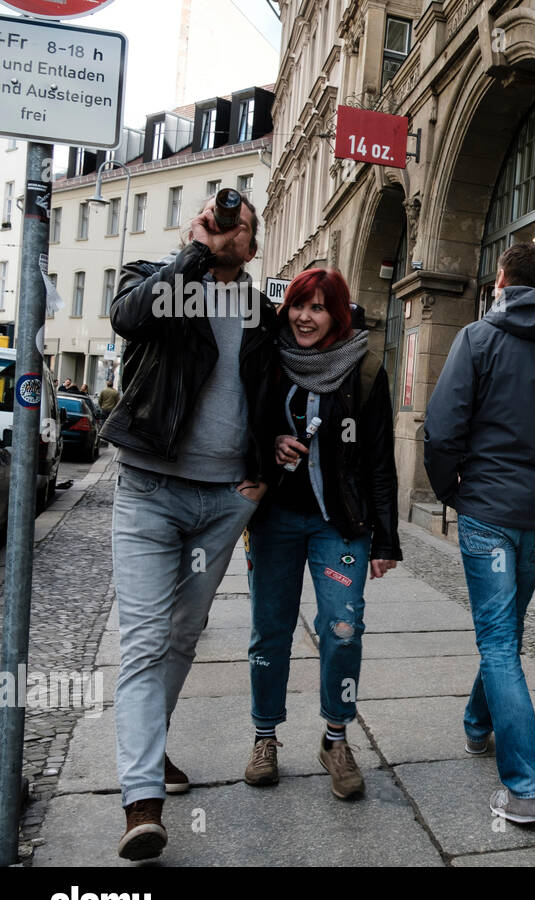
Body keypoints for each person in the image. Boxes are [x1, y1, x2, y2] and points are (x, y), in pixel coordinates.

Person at [101, 194, 279, 861]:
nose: (225, 226)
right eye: (215, 217)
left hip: (223, 502)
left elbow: (283, 398)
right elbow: (130, 318)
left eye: (239, 226)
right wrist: (196, 252)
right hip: (149, 489)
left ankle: (150, 748)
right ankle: (140, 801)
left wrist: (265, 477)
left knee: (182, 636)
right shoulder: (156, 279)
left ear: (253, 248)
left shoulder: (263, 314)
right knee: (145, 638)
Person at [423, 242, 535, 825]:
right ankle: (478, 725)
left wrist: (453, 492)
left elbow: (442, 427)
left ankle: (524, 787)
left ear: (501, 279)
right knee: (506, 630)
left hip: (487, 514)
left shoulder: (478, 339)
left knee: (499, 640)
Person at [242, 268, 401, 800]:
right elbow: (243, 429)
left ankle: (336, 738)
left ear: (337, 313)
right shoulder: (269, 358)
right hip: (276, 521)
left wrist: (385, 539)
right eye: (296, 306)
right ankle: (265, 736)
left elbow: (380, 458)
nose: (304, 318)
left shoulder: (364, 367)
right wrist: (272, 447)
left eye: (317, 307)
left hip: (341, 525)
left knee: (342, 627)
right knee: (270, 630)